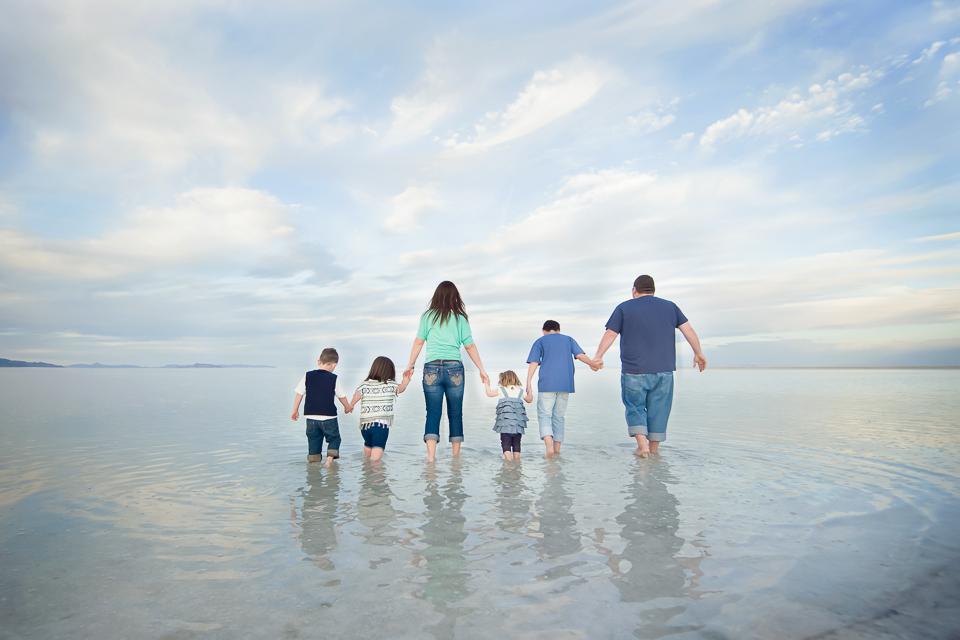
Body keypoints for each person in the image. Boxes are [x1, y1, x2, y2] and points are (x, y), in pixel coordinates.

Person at [593, 275, 706, 456]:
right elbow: (688, 330)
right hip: (664, 371)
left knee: (635, 407)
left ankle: (642, 446)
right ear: (653, 290)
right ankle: (653, 452)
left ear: (634, 290)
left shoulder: (624, 308)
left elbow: (610, 334)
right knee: (659, 411)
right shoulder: (670, 307)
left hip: (634, 370)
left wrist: (598, 356)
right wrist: (698, 353)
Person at [404, 281, 490, 462]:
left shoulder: (428, 316)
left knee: (433, 412)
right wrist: (481, 369)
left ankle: (430, 458)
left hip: (431, 368)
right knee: (456, 412)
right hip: (454, 369)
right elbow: (470, 345)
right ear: (455, 297)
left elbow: (418, 342)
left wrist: (410, 366)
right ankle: (456, 458)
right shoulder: (460, 318)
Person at [525, 320, 599, 457]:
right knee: (559, 416)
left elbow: (534, 362)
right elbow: (580, 355)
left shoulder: (540, 341)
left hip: (547, 384)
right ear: (559, 330)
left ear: (543, 330)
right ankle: (557, 450)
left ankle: (549, 449)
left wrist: (528, 382)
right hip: (565, 384)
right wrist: (593, 364)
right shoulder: (568, 340)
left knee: (544, 415)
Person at [291, 348, 353, 466]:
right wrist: (347, 407)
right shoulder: (334, 378)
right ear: (334, 365)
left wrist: (295, 410)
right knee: (334, 438)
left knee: (313, 440)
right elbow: (342, 396)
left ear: (318, 362)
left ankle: (314, 464)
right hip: (328, 417)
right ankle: (329, 460)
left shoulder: (308, 375)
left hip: (311, 417)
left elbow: (299, 394)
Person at [348, 356, 413, 461]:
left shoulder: (364, 384)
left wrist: (351, 405)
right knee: (375, 461)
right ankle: (376, 475)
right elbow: (401, 388)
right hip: (380, 426)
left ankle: (366, 474)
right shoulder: (390, 385)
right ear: (390, 371)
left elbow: (356, 395)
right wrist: (405, 381)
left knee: (367, 454)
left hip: (365, 426)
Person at [484, 370, 530, 461]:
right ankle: (517, 462)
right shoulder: (521, 391)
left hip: (505, 425)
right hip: (518, 426)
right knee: (517, 443)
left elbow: (489, 393)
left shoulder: (502, 390)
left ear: (503, 380)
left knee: (505, 443)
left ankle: (508, 462)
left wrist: (486, 383)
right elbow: (530, 399)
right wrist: (530, 391)